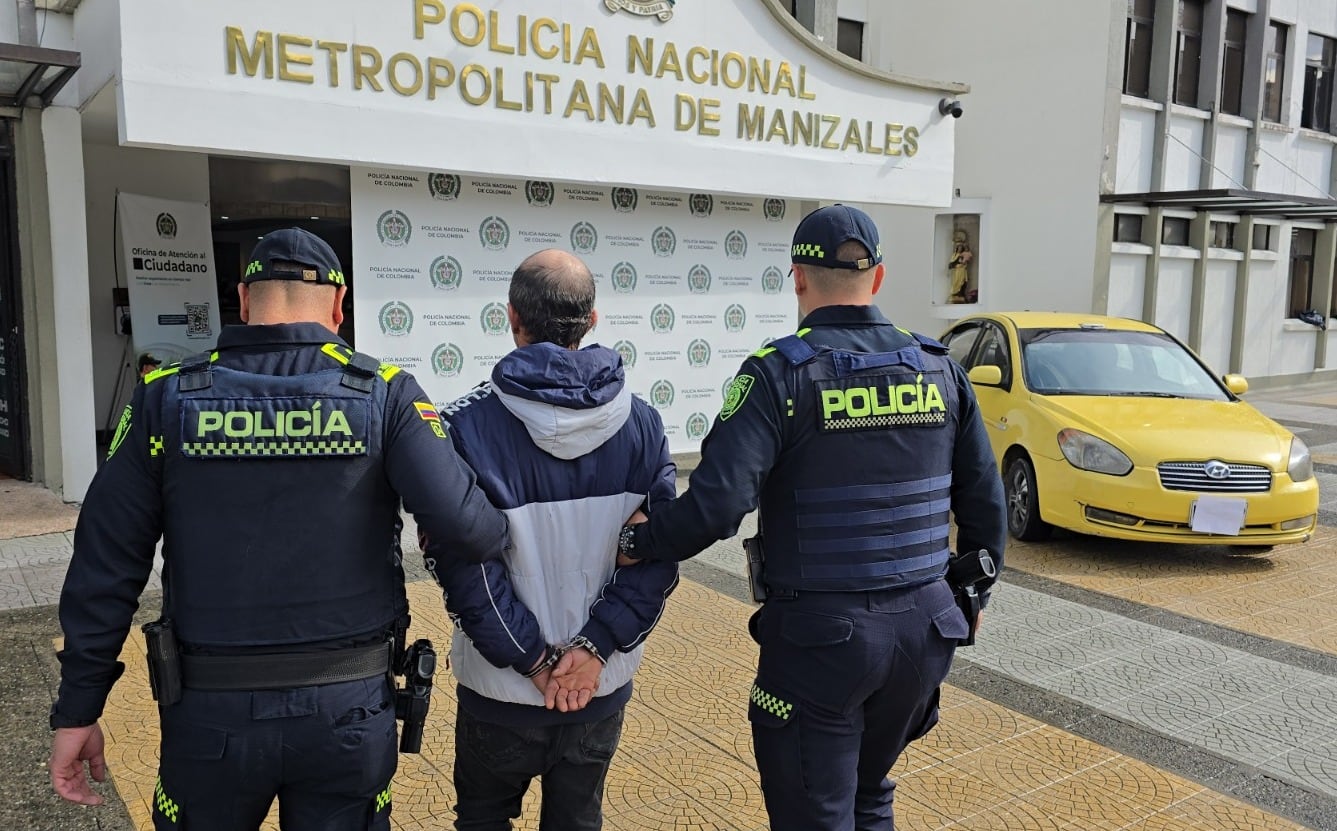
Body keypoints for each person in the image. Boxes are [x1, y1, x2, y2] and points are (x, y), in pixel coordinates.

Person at [49, 228, 512, 830]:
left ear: (242, 300)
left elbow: (104, 565)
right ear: (340, 308)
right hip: (348, 713)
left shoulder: (165, 397)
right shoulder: (385, 394)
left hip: (207, 714)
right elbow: (470, 530)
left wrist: (78, 709)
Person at [616, 205, 1007, 830]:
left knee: (815, 813)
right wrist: (974, 593)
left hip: (823, 640)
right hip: (926, 634)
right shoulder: (940, 369)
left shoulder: (780, 374)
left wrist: (642, 541)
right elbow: (986, 503)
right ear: (877, 279)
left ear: (797, 278)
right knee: (870, 794)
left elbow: (717, 505)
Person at [437, 249, 679, 831]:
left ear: (511, 318)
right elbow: (658, 556)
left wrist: (538, 661)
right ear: (592, 320)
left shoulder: (462, 427)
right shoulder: (643, 422)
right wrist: (592, 651)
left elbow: (467, 573)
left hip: (501, 689)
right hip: (598, 687)